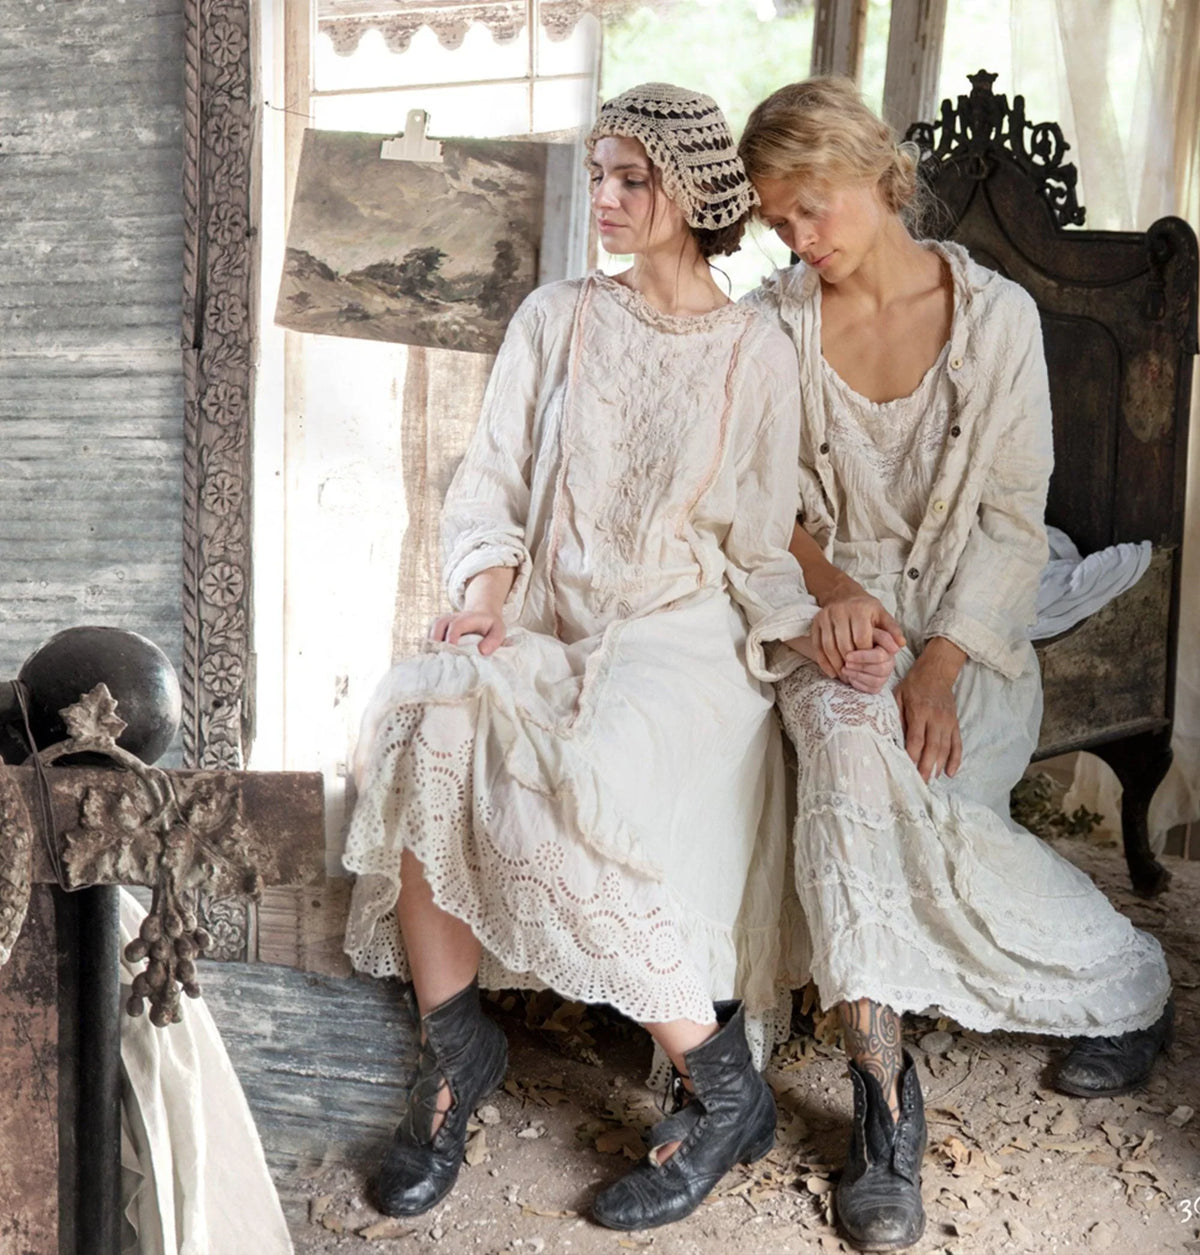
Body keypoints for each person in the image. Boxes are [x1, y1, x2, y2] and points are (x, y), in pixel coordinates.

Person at [341, 82, 817, 1232]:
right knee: (425, 709)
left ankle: (722, 1090)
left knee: (575, 779)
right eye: (599, 174)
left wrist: (819, 634)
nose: (603, 196)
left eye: (630, 179)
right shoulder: (556, 317)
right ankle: (456, 1052)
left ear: (689, 193)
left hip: (683, 637)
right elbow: (492, 479)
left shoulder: (757, 349)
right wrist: (485, 599)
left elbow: (761, 541)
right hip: (546, 616)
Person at [737, 77, 1174, 1252]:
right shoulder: (773, 324)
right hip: (829, 620)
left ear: (879, 177)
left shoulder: (998, 321)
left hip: (969, 634)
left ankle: (1124, 979)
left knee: (928, 806)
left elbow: (1013, 522)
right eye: (779, 220)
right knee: (846, 745)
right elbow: (759, 503)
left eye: (812, 207)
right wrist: (835, 596)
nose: (798, 238)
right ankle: (885, 1103)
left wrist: (935, 670)